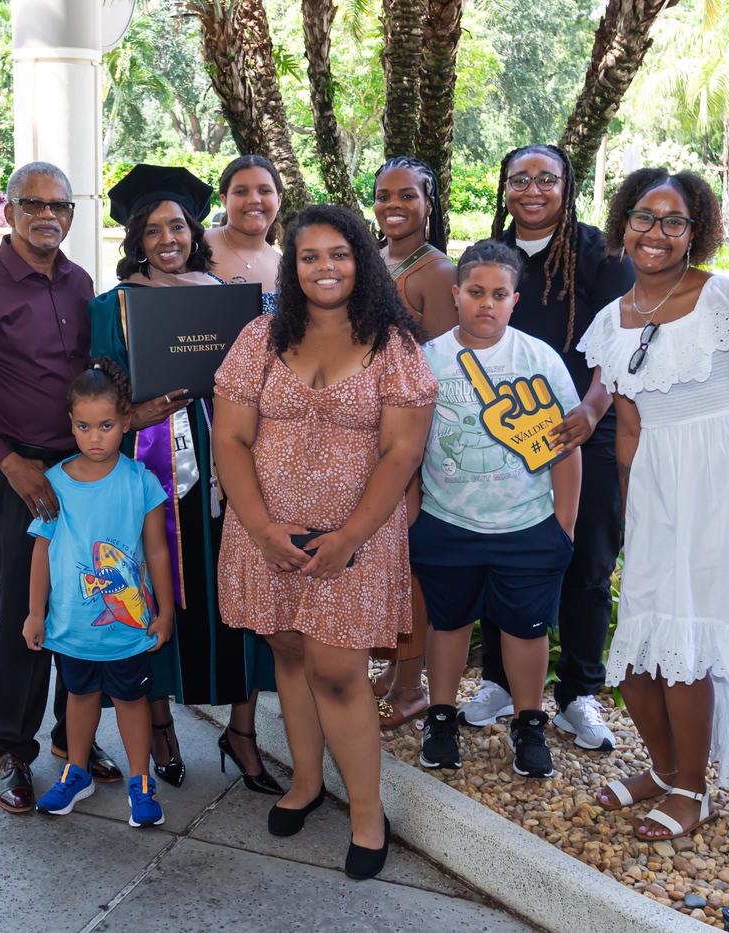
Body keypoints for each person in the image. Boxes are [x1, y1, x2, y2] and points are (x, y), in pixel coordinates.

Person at [577, 167, 729, 841]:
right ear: (624, 221)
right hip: (657, 484)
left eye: (673, 220)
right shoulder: (612, 319)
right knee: (641, 647)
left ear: (695, 232)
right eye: (644, 217)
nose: (655, 232)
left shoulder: (724, 297)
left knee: (687, 638)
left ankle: (692, 788)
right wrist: (632, 511)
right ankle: (663, 767)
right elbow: (625, 426)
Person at [211, 205, 436, 880]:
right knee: (286, 648)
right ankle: (306, 781)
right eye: (309, 256)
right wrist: (260, 527)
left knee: (338, 671)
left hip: (355, 539)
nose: (325, 267)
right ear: (292, 265)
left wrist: (348, 538)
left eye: (339, 254)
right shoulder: (260, 337)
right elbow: (230, 437)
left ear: (361, 259)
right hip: (267, 533)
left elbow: (401, 455)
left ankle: (367, 812)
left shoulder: (395, 346)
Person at [0, 161, 123, 814]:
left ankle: (74, 736)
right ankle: (12, 748)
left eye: (60, 205)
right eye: (33, 203)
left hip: (81, 473)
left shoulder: (78, 283)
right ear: (7, 211)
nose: (48, 215)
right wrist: (8, 462)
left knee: (87, 604)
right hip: (20, 475)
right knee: (24, 615)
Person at [89, 164, 282, 796]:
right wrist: (131, 414)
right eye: (152, 230)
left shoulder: (229, 297)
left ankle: (242, 731)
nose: (167, 238)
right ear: (136, 240)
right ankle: (163, 725)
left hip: (230, 465)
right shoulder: (113, 306)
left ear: (195, 229)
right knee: (157, 588)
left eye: (177, 225)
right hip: (151, 471)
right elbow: (97, 393)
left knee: (238, 591)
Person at [470, 143, 633, 753]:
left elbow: (619, 346)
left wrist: (591, 409)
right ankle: (499, 681)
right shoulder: (493, 257)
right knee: (499, 551)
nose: (532, 190)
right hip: (505, 431)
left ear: (568, 186)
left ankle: (579, 693)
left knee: (587, 560)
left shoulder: (601, 257)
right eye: (519, 179)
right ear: (503, 188)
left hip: (583, 428)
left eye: (546, 179)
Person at [412, 240, 581, 779]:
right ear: (455, 293)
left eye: (499, 294)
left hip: (528, 523)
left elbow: (566, 444)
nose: (487, 303)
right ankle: (440, 717)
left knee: (527, 629)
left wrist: (564, 526)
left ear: (515, 300)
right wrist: (416, 517)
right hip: (447, 521)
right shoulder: (428, 359)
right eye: (476, 292)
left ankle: (529, 723)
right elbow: (405, 446)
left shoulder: (539, 359)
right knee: (449, 621)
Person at [24, 360, 174, 827]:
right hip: (72, 625)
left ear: (126, 422)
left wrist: (165, 610)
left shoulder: (140, 482)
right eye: (84, 426)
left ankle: (139, 781)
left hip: (128, 627)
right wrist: (34, 613)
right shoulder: (55, 484)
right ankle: (76, 771)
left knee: (131, 702)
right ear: (70, 423)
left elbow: (157, 552)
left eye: (106, 426)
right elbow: (41, 554)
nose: (95, 437)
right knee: (79, 698)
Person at [369, 155, 459, 728]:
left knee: (408, 562)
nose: (393, 206)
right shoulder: (375, 259)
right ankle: (392, 665)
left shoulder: (437, 273)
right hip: (366, 426)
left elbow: (446, 368)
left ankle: (409, 686)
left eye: (407, 195)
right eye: (383, 195)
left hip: (412, 431)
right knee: (380, 555)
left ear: (429, 203)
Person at [204, 155, 283, 309]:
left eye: (264, 191)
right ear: (224, 199)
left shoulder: (285, 267)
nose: (254, 199)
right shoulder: (195, 246)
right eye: (241, 192)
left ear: (279, 200)